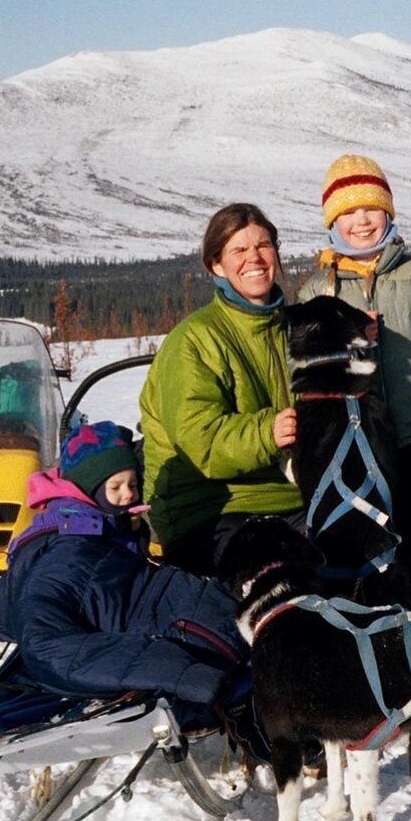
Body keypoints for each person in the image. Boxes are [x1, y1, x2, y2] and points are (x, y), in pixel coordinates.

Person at [0, 421, 267, 756]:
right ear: (88, 489)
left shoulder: (87, 526)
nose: (128, 494)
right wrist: (180, 671)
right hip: (177, 643)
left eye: (132, 483)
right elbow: (46, 646)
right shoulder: (68, 554)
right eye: (116, 486)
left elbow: (1, 620)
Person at [298, 154, 411, 622]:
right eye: (349, 212)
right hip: (356, 442)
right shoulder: (317, 292)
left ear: (389, 212)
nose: (361, 221)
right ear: (332, 220)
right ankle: (403, 647)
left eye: (371, 209)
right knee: (383, 549)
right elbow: (304, 370)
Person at [139, 203, 304, 575]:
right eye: (239, 250)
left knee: (368, 555)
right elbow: (201, 442)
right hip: (208, 507)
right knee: (280, 575)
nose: (255, 259)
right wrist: (268, 432)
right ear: (216, 265)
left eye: (263, 246)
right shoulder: (194, 339)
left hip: (289, 499)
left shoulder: (293, 329)